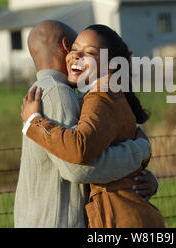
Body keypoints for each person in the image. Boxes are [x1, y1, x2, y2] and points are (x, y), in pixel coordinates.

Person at [15, 21, 159, 228]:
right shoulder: (59, 92)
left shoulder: (91, 96)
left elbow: (82, 160)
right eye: (74, 48)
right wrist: (140, 150)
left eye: (88, 52)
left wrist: (141, 171)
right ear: (66, 46)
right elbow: (77, 168)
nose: (76, 55)